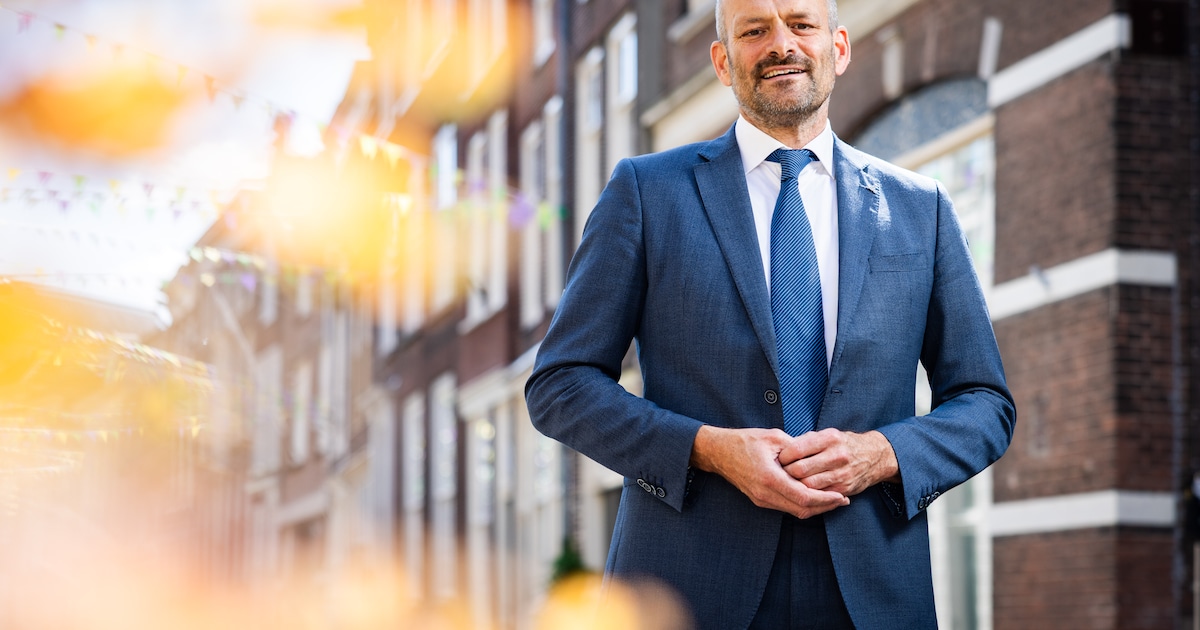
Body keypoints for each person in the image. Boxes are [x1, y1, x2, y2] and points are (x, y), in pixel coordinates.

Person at [525, 0, 1016, 627]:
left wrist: (882, 453)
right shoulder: (647, 194)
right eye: (755, 31)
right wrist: (705, 448)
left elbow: (985, 403)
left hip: (871, 594)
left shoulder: (923, 208)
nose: (781, 44)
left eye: (801, 24)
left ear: (837, 48)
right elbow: (559, 384)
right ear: (723, 63)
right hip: (687, 591)